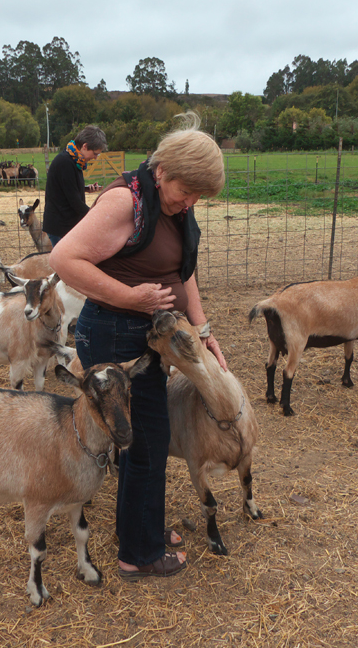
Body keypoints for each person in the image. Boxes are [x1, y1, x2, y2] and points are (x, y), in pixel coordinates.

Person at [50, 112, 228, 579]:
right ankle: (139, 553)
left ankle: (139, 526)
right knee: (146, 443)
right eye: (186, 191)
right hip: (114, 331)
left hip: (151, 335)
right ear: (162, 170)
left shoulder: (173, 206)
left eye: (198, 197)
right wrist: (132, 297)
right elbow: (63, 258)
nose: (190, 203)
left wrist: (204, 333)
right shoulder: (122, 203)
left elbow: (183, 270)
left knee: (141, 441)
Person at [42, 125, 107, 247]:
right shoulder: (66, 163)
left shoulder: (75, 160)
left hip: (66, 223)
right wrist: (97, 216)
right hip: (60, 225)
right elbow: (74, 200)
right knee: (65, 264)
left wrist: (86, 188)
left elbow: (66, 188)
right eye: (95, 153)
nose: (95, 158)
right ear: (85, 146)